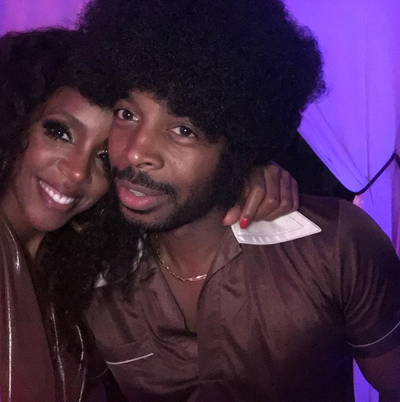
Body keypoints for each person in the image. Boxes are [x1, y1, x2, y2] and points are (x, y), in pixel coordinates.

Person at [56, 0, 400, 400]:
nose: (135, 153)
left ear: (237, 146)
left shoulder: (335, 247)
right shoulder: (85, 272)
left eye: (183, 130)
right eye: (127, 114)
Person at [0, 27, 297, 402]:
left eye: (104, 157)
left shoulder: (83, 275)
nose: (76, 173)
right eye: (59, 132)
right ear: (12, 122)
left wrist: (238, 174)